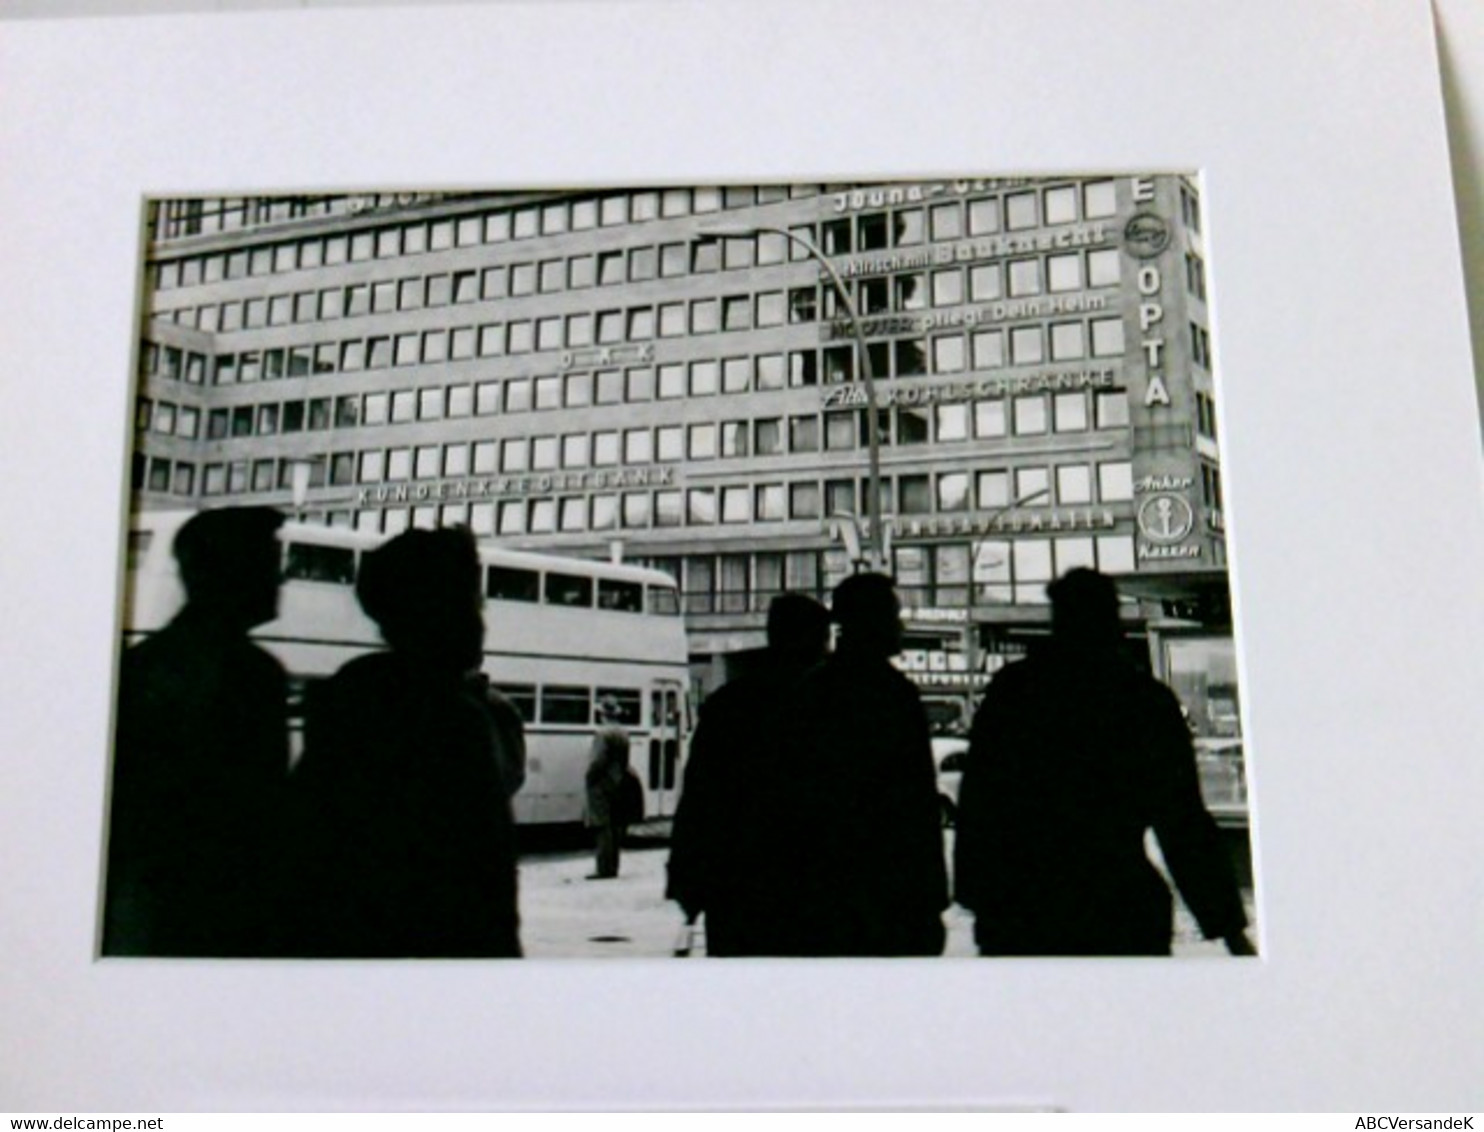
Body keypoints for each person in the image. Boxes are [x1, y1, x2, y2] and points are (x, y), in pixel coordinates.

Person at [953, 568, 1255, 957]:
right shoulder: (1144, 701)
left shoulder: (1014, 693)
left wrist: (979, 896)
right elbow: (1183, 822)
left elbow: (980, 800)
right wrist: (1227, 926)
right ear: (1109, 621)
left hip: (1025, 908)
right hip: (1119, 906)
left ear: (1057, 620)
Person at [285, 526, 521, 958]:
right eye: (472, 599)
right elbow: (481, 889)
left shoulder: (346, 696)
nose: (482, 615)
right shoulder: (454, 720)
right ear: (438, 610)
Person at [103, 506, 290, 957]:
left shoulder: (146, 663)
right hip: (213, 901)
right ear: (231, 572)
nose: (280, 579)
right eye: (269, 563)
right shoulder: (249, 674)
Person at [787, 574, 950, 957]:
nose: (901, 626)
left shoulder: (810, 694)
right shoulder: (896, 697)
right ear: (870, 621)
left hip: (825, 892)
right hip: (891, 894)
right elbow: (916, 807)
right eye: (893, 615)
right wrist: (930, 898)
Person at [665, 592, 830, 956]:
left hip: (739, 889)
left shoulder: (729, 705)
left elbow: (701, 799)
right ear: (818, 640)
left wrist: (688, 883)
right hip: (817, 889)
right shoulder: (834, 708)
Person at [584, 697, 634, 879]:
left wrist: (589, 778)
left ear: (603, 713)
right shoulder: (624, 732)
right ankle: (613, 866)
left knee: (601, 826)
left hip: (601, 783)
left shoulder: (602, 734)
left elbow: (598, 761)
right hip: (618, 782)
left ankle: (603, 868)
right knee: (614, 826)